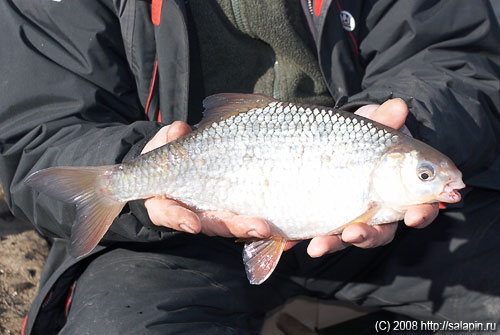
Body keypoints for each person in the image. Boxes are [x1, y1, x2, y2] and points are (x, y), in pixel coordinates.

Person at [0, 0, 499, 334]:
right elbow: (39, 132)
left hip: (391, 235)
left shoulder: (394, 153)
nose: (434, 179)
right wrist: (136, 175)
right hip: (167, 235)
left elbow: (456, 54)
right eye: (427, 176)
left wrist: (415, 119)